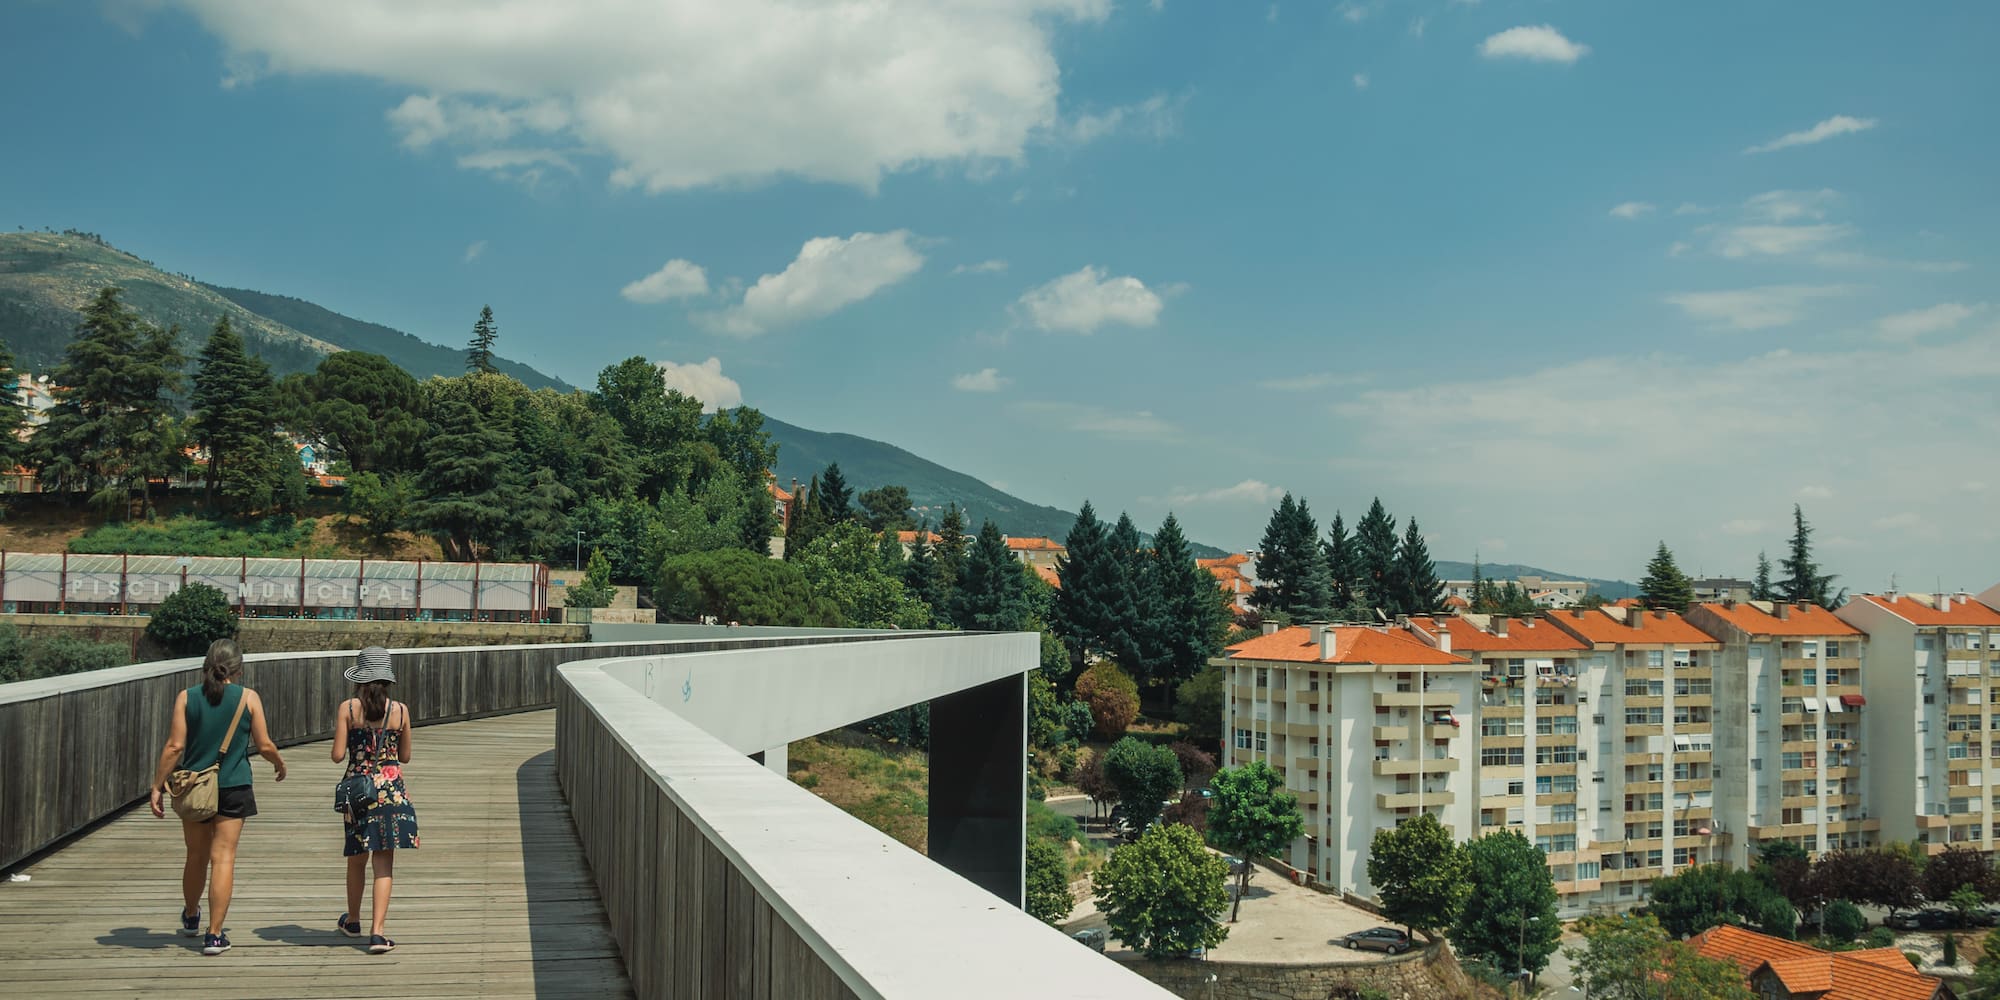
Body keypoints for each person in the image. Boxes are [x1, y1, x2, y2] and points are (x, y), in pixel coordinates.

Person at [148, 639, 287, 956]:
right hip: (233, 786)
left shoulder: (187, 698)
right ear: (238, 669)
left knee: (195, 856)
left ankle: (192, 915)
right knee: (222, 858)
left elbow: (174, 747)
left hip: (195, 788)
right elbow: (264, 745)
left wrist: (157, 786)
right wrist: (278, 763)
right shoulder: (248, 698)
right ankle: (214, 935)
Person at [333, 647, 419, 954]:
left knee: (357, 859)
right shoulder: (401, 711)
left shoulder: (348, 708)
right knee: (384, 864)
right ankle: (378, 933)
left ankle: (353, 920)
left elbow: (337, 756)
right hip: (392, 793)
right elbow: (405, 757)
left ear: (361, 678)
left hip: (358, 795)